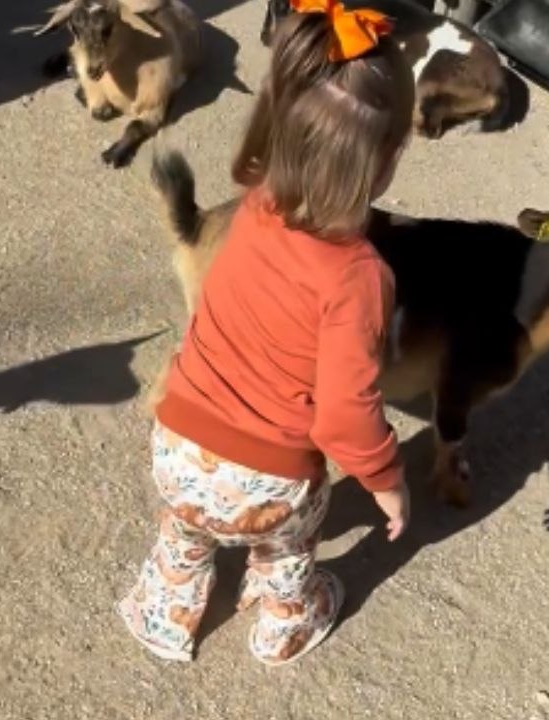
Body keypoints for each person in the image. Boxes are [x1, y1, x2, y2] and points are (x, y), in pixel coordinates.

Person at [116, 0, 416, 666]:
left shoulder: (254, 208)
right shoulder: (358, 276)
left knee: (184, 532)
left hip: (176, 449)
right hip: (269, 485)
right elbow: (345, 419)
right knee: (289, 545)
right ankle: (285, 619)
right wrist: (388, 481)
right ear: (389, 159)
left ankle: (165, 609)